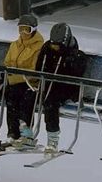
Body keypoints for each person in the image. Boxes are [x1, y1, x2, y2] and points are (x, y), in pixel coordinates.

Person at [0, 14, 44, 149]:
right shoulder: (15, 45)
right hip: (11, 80)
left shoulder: (39, 48)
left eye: (27, 29)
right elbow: (7, 63)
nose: (23, 32)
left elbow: (34, 71)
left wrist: (13, 78)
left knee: (14, 96)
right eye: (21, 29)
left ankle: (15, 134)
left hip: (28, 83)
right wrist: (9, 76)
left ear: (34, 30)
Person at [35, 22, 87, 155]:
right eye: (53, 45)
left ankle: (52, 139)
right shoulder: (47, 50)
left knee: (50, 103)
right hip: (47, 85)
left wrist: (68, 63)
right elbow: (39, 67)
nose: (54, 48)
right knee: (26, 96)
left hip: (64, 89)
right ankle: (25, 133)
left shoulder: (77, 55)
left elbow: (76, 76)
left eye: (57, 46)